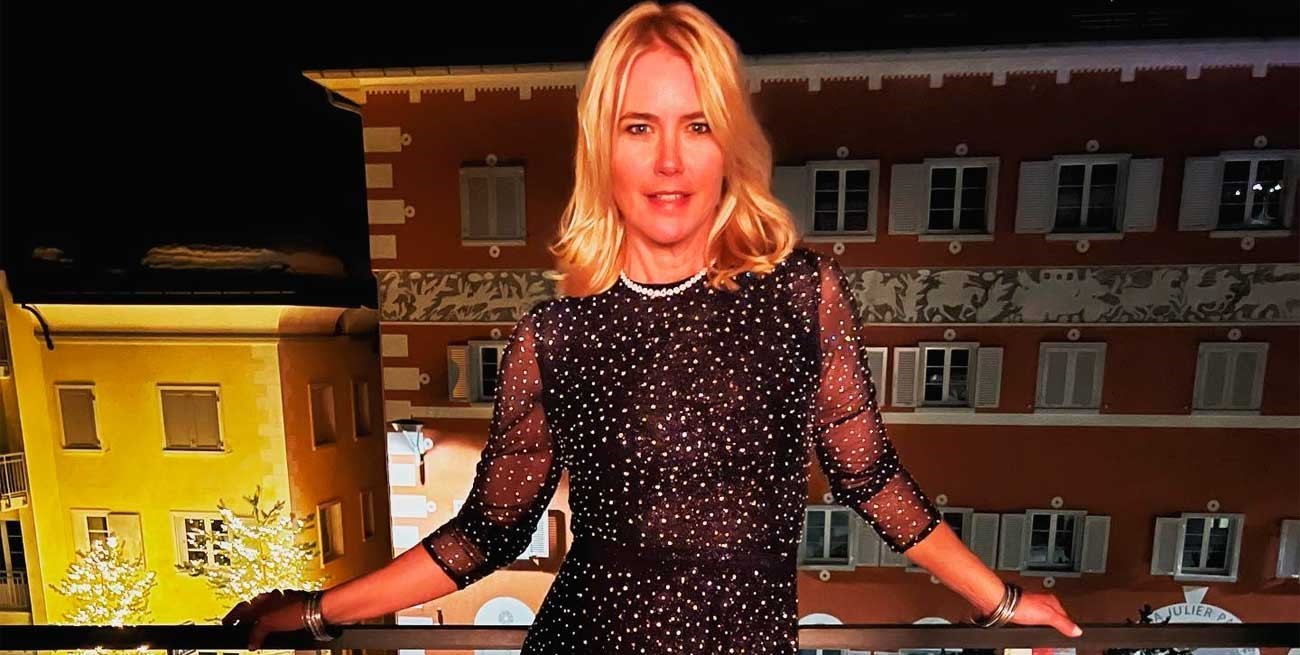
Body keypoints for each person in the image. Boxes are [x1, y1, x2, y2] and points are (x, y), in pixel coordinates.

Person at [223, 2, 1085, 652]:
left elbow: (871, 477)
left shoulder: (801, 293)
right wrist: (314, 611)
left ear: (727, 148)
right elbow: (486, 531)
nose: (669, 159)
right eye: (640, 127)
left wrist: (1002, 601)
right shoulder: (555, 335)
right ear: (604, 148)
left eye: (696, 125)